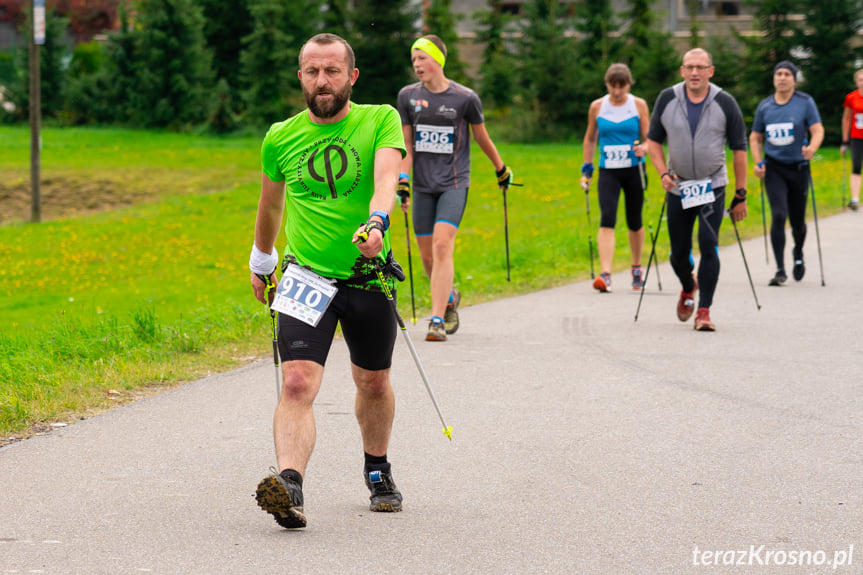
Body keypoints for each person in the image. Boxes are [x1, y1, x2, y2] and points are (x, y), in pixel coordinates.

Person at [248, 33, 407, 529]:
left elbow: (386, 181)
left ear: (351, 76)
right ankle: (289, 484)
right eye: (313, 71)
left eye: (332, 71)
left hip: (366, 274)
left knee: (373, 381)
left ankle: (377, 468)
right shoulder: (281, 135)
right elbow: (271, 203)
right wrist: (261, 258)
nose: (323, 81)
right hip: (306, 275)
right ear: (300, 76)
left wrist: (377, 223)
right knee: (297, 381)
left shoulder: (379, 118)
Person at [396, 34, 512, 342]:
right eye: (413, 60)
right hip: (421, 186)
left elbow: (482, 138)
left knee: (442, 246)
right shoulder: (407, 97)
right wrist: (402, 181)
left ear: (438, 60)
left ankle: (436, 320)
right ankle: (449, 298)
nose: (417, 65)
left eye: (422, 58)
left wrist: (501, 168)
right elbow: (406, 143)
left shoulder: (465, 98)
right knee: (427, 261)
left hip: (454, 183)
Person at [646, 48, 748, 332]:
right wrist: (662, 174)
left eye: (700, 67)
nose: (694, 72)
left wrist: (741, 194)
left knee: (708, 244)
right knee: (678, 254)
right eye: (689, 67)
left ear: (710, 72)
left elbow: (740, 149)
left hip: (712, 185)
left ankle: (704, 310)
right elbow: (653, 141)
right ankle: (688, 285)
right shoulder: (667, 98)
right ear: (682, 71)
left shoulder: (725, 102)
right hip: (678, 186)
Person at [750, 61, 824, 286]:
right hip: (774, 168)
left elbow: (817, 129)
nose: (782, 78)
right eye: (778, 74)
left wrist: (812, 148)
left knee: (798, 221)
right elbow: (755, 136)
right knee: (779, 215)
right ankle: (780, 269)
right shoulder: (765, 107)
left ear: (794, 79)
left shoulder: (804, 102)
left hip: (798, 168)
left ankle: (798, 252)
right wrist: (757, 162)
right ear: (774, 78)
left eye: (787, 74)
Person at [581, 63, 651, 293]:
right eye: (613, 86)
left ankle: (637, 269)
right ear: (607, 84)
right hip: (608, 170)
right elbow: (590, 139)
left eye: (621, 87)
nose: (617, 92)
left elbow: (650, 139)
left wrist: (645, 148)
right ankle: (606, 274)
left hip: (633, 170)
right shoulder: (597, 106)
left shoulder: (638, 105)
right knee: (607, 217)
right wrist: (587, 168)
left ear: (629, 85)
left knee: (634, 220)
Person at [841, 68, 863, 211]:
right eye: (861, 79)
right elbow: (846, 118)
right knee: (856, 165)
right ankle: (854, 199)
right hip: (856, 137)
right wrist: (844, 141)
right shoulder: (851, 97)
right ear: (856, 81)